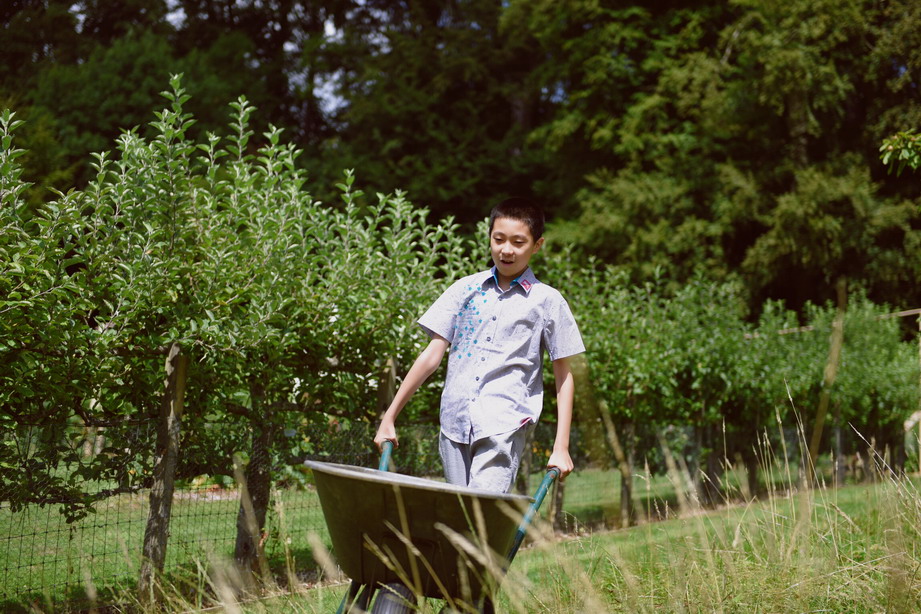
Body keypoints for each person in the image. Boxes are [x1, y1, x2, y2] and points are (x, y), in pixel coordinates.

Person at [373, 197, 585, 493]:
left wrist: (561, 446)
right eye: (498, 239)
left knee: (480, 518)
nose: (506, 250)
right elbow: (431, 356)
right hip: (454, 423)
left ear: (537, 245)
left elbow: (564, 374)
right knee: (461, 522)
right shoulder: (464, 290)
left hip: (504, 425)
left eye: (518, 242)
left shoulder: (547, 301)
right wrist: (390, 416)